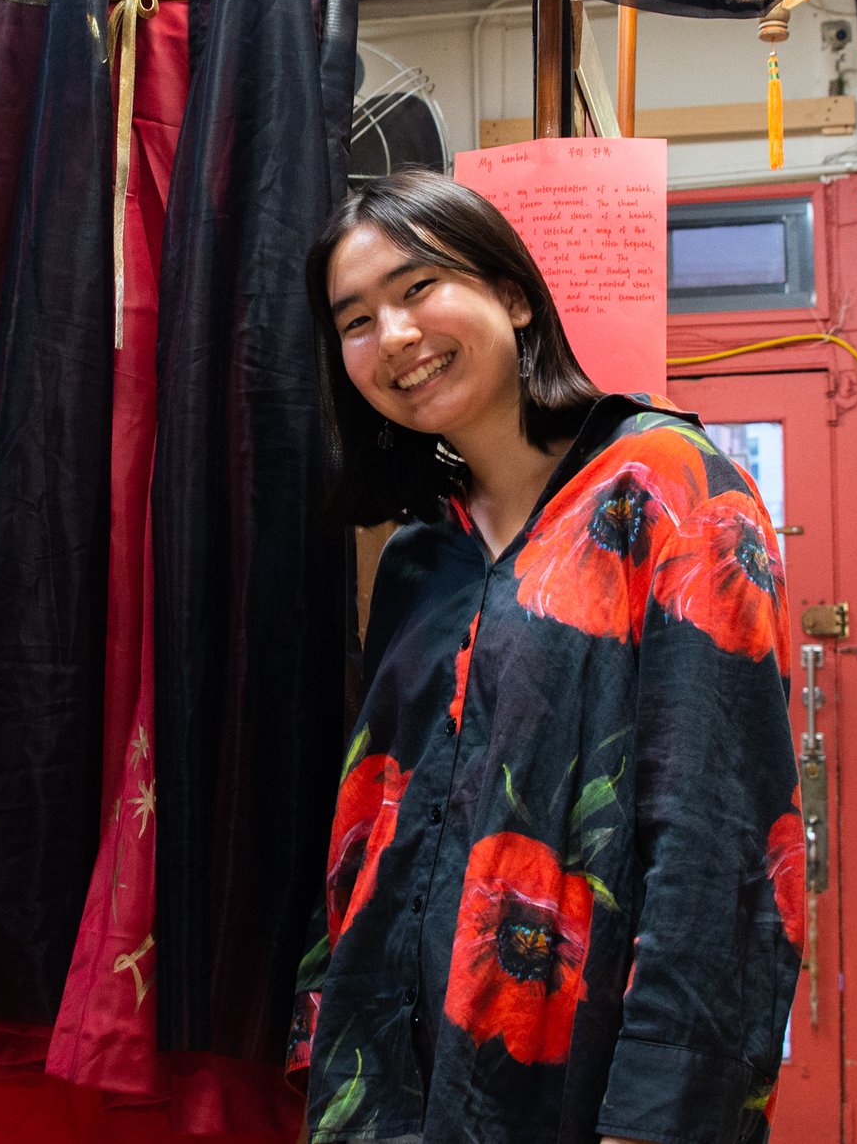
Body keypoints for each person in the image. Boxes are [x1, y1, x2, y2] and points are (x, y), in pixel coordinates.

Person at [290, 168, 806, 1144]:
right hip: (388, 1094)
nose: (393, 335)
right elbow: (369, 826)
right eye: (354, 320)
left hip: (582, 1095)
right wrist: (322, 1039)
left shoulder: (667, 488)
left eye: (416, 287)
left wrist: (656, 1119)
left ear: (513, 294)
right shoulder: (418, 556)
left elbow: (722, 835)